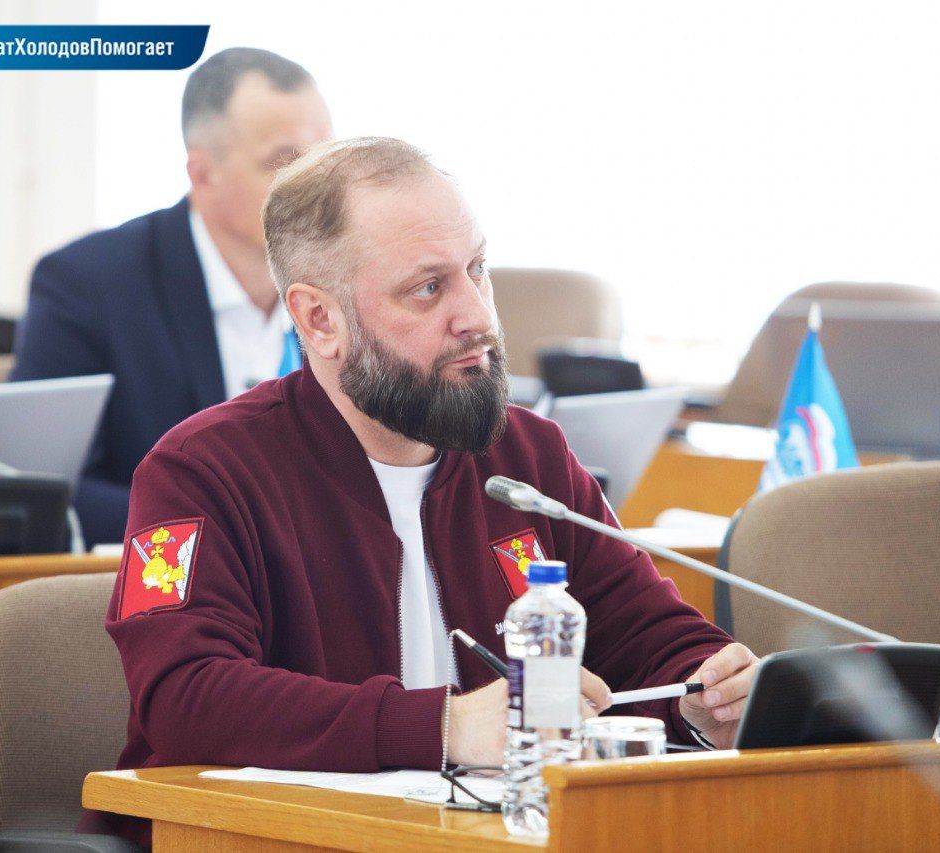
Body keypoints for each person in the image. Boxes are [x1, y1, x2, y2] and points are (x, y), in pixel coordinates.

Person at [81, 137, 759, 846]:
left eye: (477, 270)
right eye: (428, 288)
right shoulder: (200, 470)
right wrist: (445, 725)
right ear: (320, 320)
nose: (478, 316)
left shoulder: (528, 457)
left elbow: (650, 636)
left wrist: (706, 695)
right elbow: (185, 696)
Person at [11, 48, 333, 546]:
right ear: (202, 174)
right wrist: (225, 528)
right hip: (162, 575)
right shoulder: (86, 283)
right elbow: (44, 488)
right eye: (285, 163)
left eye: (325, 160)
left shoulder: (348, 279)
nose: (318, 189)